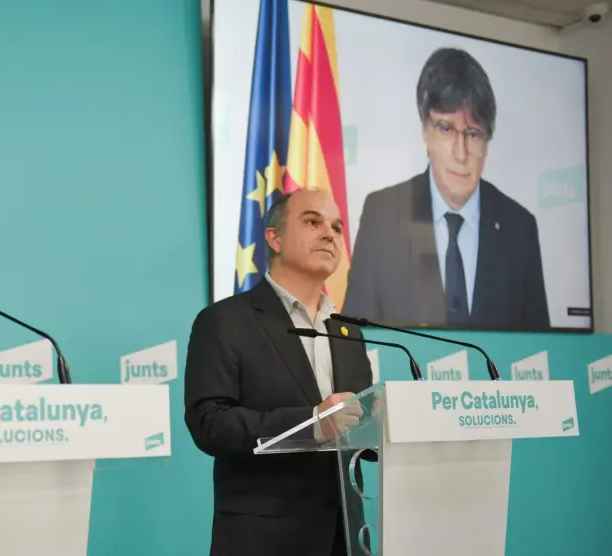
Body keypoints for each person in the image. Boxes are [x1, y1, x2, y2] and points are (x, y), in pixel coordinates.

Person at [184, 189, 374, 556]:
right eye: (312, 221)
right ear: (274, 238)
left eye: (336, 227)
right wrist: (312, 423)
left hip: (344, 537)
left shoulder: (348, 331)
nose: (329, 234)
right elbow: (209, 423)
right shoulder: (225, 321)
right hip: (263, 539)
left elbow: (359, 431)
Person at [342, 47, 549, 330]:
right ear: (425, 129)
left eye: (473, 134)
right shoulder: (383, 214)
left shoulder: (519, 226)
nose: (461, 154)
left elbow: (541, 346)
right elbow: (354, 335)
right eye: (446, 129)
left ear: (487, 141)